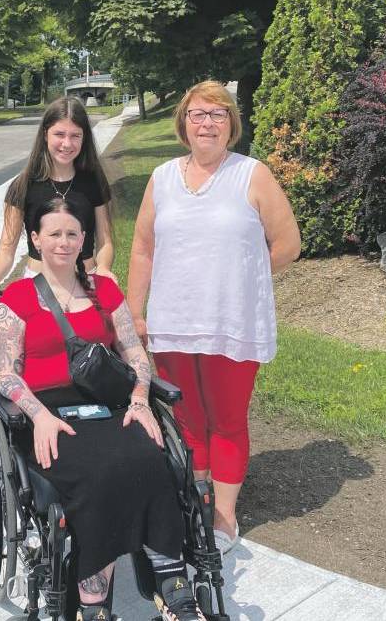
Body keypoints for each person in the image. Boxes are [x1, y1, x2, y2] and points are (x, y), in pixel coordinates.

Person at [0, 198, 206, 621]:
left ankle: (172, 583)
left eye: (72, 233)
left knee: (151, 457)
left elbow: (134, 353)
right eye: (53, 233)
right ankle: (93, 603)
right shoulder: (16, 299)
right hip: (48, 411)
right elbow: (6, 374)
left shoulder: (105, 290)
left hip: (106, 402)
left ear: (84, 239)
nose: (64, 242)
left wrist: (141, 399)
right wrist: (38, 415)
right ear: (35, 239)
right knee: (98, 475)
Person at [127, 80, 301, 554]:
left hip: (231, 323)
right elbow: (143, 248)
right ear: (183, 123)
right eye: (198, 114)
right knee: (187, 416)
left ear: (232, 125)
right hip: (174, 322)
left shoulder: (253, 175)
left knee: (226, 419)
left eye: (218, 115)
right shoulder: (162, 177)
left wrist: (240, 275)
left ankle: (224, 515)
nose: (207, 123)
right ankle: (196, 494)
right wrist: (136, 312)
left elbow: (288, 245)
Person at [0, 96, 115, 304]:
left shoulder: (93, 182)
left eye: (75, 135)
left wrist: (103, 269)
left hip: (86, 286)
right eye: (59, 134)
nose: (67, 144)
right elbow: (6, 247)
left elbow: (105, 242)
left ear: (84, 138)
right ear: (45, 134)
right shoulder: (23, 186)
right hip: (38, 289)